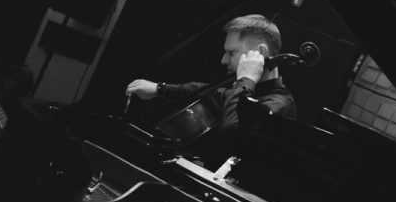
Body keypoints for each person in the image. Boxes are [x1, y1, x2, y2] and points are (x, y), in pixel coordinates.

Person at [125, 14, 297, 134]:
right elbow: (203, 90)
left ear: (260, 54)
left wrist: (246, 80)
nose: (223, 60)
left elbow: (231, 130)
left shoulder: (278, 105)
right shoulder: (246, 89)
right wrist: (159, 88)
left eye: (231, 52)